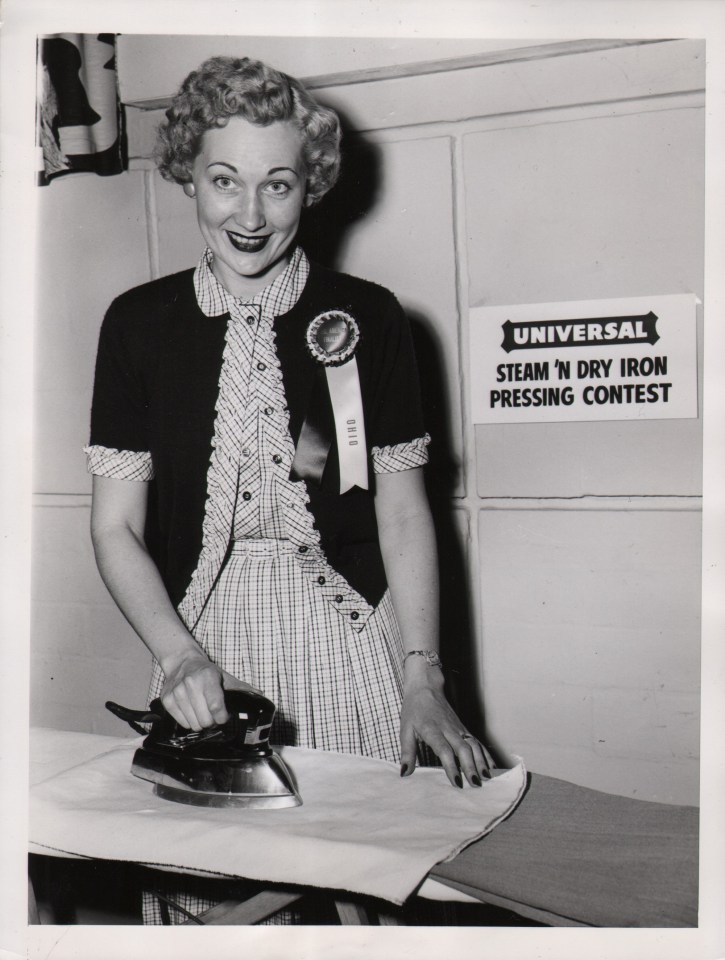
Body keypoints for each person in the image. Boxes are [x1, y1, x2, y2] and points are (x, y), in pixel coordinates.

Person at [86, 55, 492, 924]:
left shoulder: (370, 317)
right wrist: (176, 654)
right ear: (188, 175)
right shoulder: (136, 325)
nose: (250, 213)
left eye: (278, 184)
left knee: (364, 881)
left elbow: (400, 507)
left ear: (311, 187)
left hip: (352, 636)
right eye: (224, 181)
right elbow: (116, 527)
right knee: (217, 895)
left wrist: (421, 676)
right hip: (205, 636)